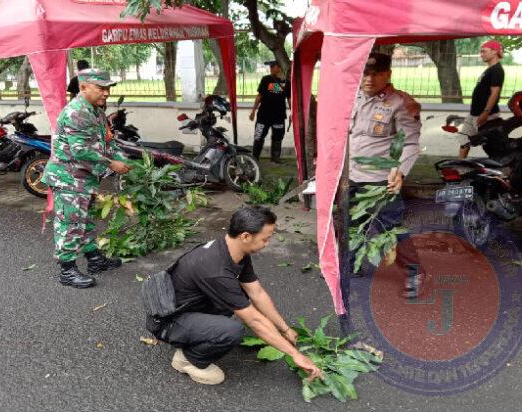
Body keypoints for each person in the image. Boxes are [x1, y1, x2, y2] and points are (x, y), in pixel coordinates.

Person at [147, 206, 323, 385]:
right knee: (233, 330)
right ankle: (187, 359)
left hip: (186, 305)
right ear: (246, 236)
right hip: (167, 321)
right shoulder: (215, 269)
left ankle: (196, 333)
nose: (267, 243)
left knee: (236, 299)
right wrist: (296, 355)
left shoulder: (234, 251)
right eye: (265, 239)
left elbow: (257, 293)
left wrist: (284, 329)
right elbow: (253, 320)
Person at [343, 53, 424, 301]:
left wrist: (399, 170)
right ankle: (353, 266)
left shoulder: (400, 103)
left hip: (382, 179)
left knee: (391, 228)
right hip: (351, 176)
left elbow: (410, 142)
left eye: (376, 73)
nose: (369, 79)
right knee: (351, 224)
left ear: (387, 74)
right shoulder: (352, 98)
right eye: (365, 73)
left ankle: (414, 273)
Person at [42, 68, 131, 289]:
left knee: (87, 220)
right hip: (68, 178)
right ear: (83, 87)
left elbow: (107, 141)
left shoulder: (96, 110)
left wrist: (121, 158)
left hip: (85, 178)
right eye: (101, 88)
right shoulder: (76, 112)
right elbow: (80, 150)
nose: (106, 93)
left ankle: (94, 260)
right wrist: (111, 164)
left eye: (108, 88)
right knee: (70, 223)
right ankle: (67, 270)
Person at [459, 40, 505, 159]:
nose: (481, 54)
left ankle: (501, 171)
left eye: (484, 51)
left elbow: (495, 93)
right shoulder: (490, 69)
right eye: (481, 51)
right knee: (464, 140)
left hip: (485, 116)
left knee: (492, 146)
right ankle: (460, 167)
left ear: (494, 52)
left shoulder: (496, 70)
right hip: (474, 114)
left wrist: (486, 112)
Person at [249, 60, 290, 163]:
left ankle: (276, 158)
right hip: (264, 115)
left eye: (273, 66)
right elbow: (259, 96)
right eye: (271, 67)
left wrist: (292, 112)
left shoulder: (287, 82)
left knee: (278, 137)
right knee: (258, 136)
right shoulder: (266, 79)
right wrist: (253, 111)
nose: (271, 68)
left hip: (279, 116)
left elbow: (289, 98)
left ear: (279, 68)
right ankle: (255, 158)